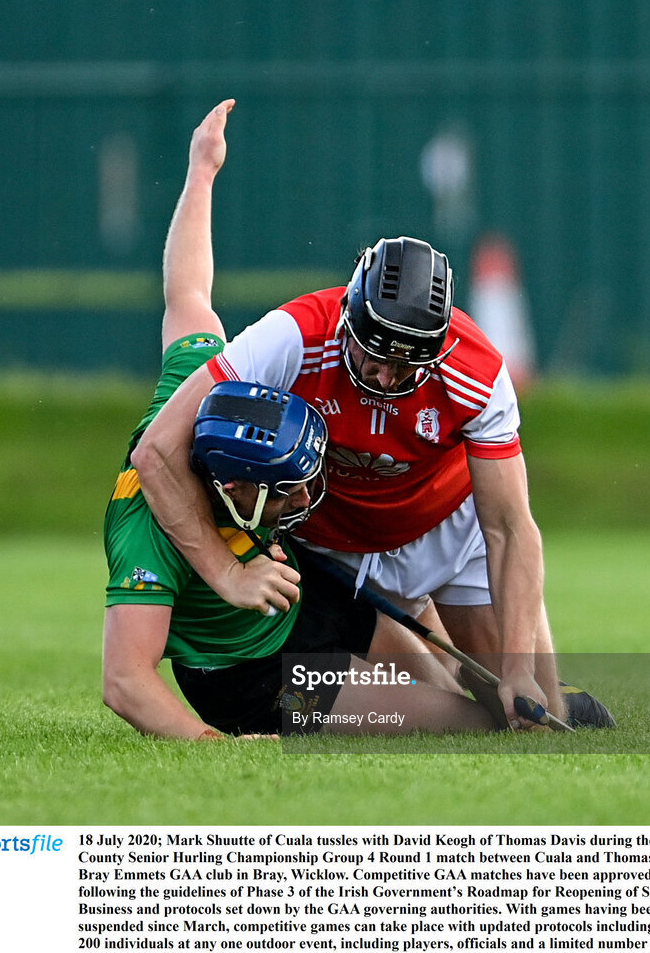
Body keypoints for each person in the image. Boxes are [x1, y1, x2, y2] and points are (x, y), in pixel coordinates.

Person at [133, 99, 614, 732]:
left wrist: (518, 666)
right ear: (348, 319)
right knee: (457, 716)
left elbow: (509, 527)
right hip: (332, 547)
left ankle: (527, 676)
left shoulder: (479, 371)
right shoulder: (290, 338)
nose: (386, 377)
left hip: (445, 528)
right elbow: (156, 452)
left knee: (532, 712)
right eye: (373, 354)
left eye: (406, 364)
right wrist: (226, 571)